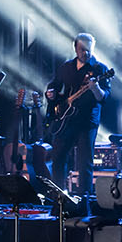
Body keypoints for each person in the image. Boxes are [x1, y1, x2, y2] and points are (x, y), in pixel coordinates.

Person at [44, 33, 111, 196]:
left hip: (87, 122)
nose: (85, 53)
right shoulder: (66, 67)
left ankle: (84, 199)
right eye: (82, 50)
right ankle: (58, 196)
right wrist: (50, 94)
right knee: (58, 157)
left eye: (89, 50)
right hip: (65, 120)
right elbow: (54, 85)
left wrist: (95, 88)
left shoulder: (100, 69)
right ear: (75, 48)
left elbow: (104, 98)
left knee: (84, 163)